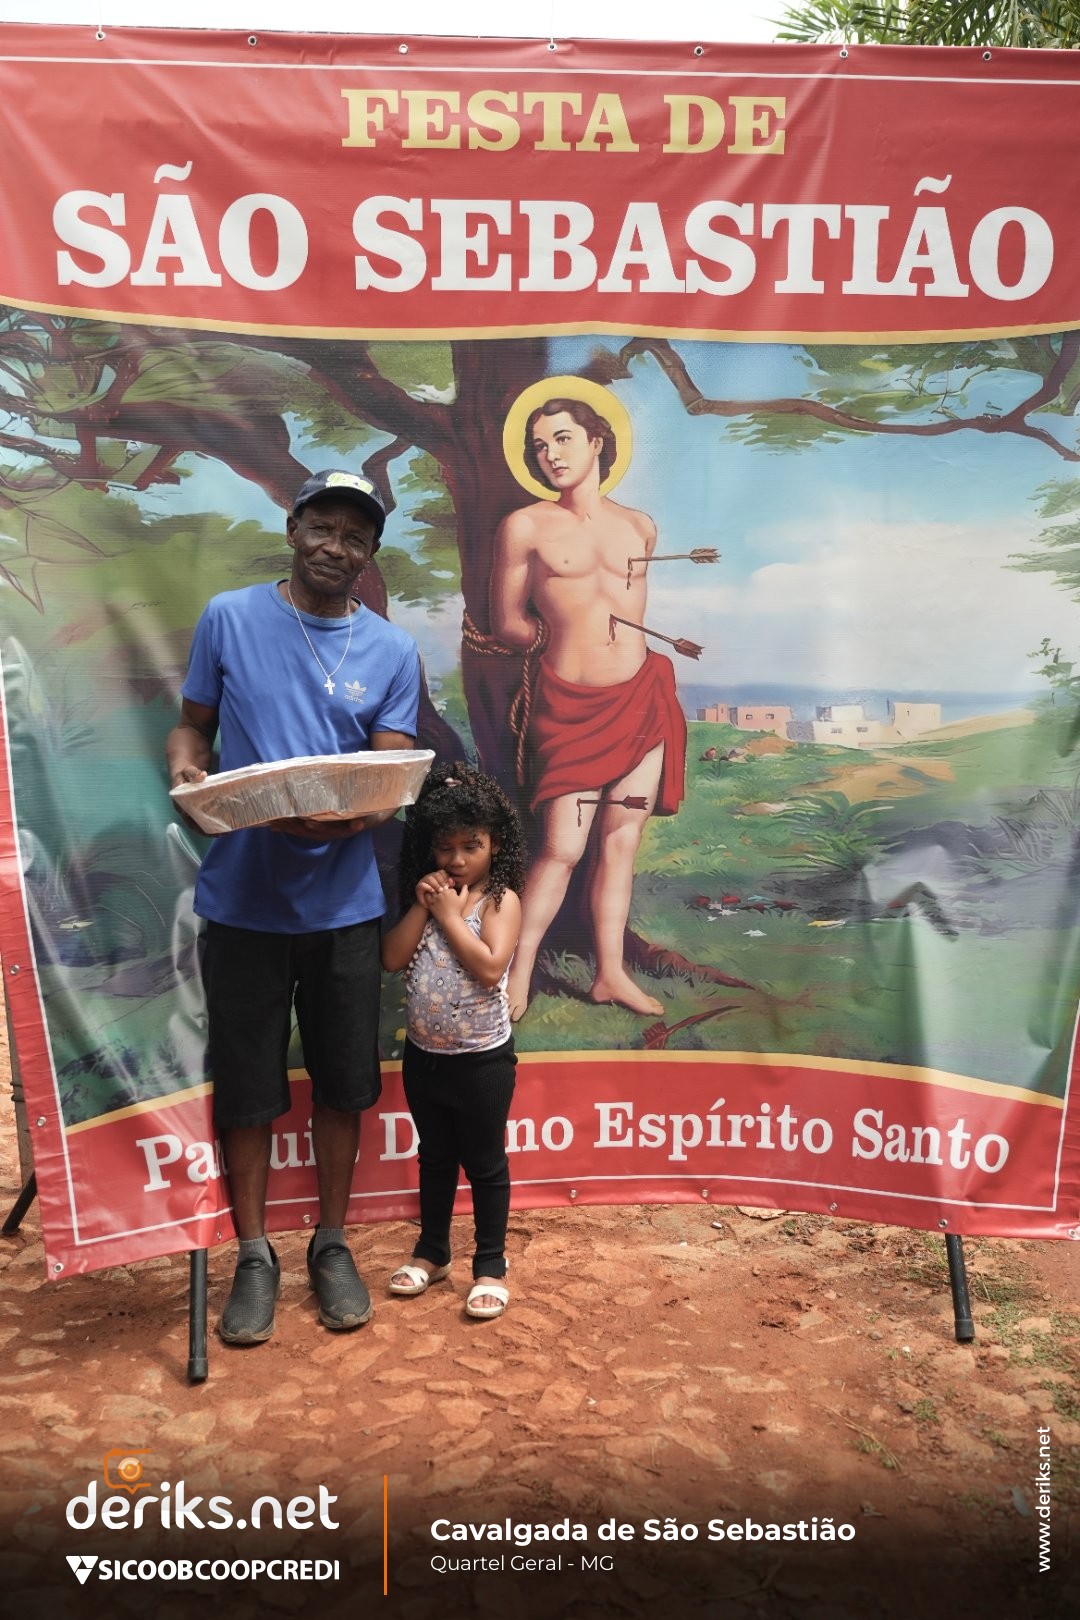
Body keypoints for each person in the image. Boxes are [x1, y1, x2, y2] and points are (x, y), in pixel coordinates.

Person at [166, 468, 421, 1346]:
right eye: (323, 528)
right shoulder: (229, 617)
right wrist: (186, 769)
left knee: (344, 1085)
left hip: (344, 907)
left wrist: (352, 817)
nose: (335, 548)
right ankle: (253, 1255)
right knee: (246, 1089)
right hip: (242, 902)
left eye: (355, 538)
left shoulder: (392, 650)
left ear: (369, 555)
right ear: (293, 528)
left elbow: (387, 777)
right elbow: (193, 724)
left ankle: (332, 1243)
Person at [489, 396, 685, 1021]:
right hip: (570, 706)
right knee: (563, 848)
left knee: (621, 841)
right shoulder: (525, 526)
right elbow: (507, 623)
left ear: (597, 442)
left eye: (563, 438)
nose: (551, 455)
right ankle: (516, 975)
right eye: (540, 446)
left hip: (641, 698)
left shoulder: (640, 527)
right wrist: (561, 641)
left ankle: (610, 975)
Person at [380, 762, 524, 1320]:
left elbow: (489, 969)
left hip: (482, 1062)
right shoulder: (429, 897)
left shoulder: (500, 901)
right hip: (426, 1059)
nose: (458, 860)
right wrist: (425, 906)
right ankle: (433, 1251)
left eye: (472, 846)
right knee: (435, 1157)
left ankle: (489, 1266)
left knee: (485, 1163)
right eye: (446, 848)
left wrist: (450, 915)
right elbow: (392, 958)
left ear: (495, 844)